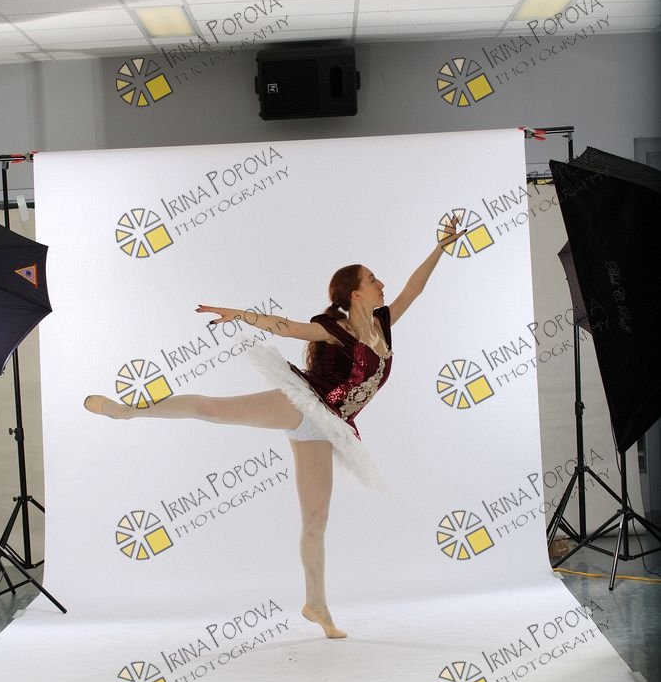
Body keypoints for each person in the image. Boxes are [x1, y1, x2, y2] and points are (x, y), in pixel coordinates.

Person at [85, 215, 465, 638]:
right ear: (356, 292)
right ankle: (128, 411)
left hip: (329, 428)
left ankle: (316, 605)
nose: (383, 283)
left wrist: (440, 247)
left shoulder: (382, 326)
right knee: (214, 410)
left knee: (316, 519)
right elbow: (286, 327)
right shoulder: (334, 330)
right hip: (304, 404)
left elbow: (415, 288)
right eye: (373, 279)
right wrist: (240, 314)